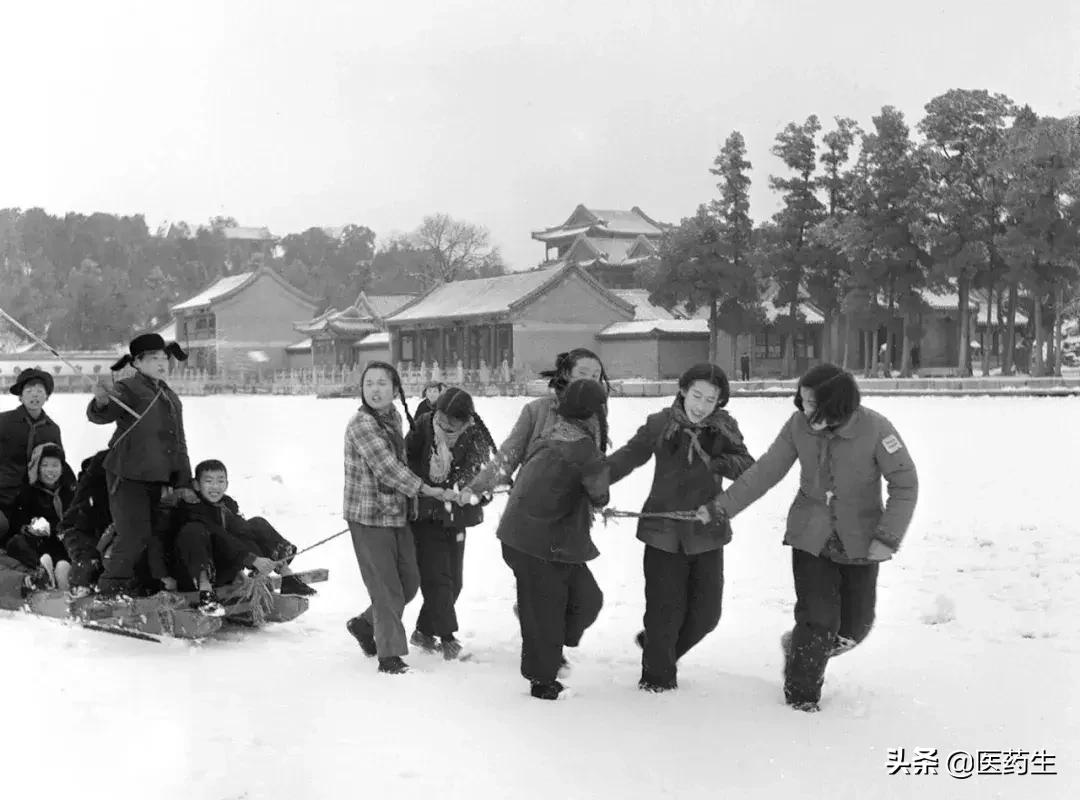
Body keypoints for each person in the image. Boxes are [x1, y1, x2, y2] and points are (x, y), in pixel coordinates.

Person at [698, 364, 918, 712]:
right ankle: (801, 698)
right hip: (810, 534)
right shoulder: (798, 425)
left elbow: (905, 484)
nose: (804, 409)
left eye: (813, 403)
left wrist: (887, 537)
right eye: (802, 401)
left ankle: (800, 647)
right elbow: (765, 471)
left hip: (861, 540)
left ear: (838, 404)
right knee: (817, 620)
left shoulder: (876, 429)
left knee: (855, 626)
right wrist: (721, 508)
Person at [607, 364, 755, 692]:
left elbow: (748, 467)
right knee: (664, 612)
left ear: (720, 402)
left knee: (707, 614)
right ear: (683, 390)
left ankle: (658, 649)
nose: (701, 405)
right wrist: (595, 483)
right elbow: (628, 457)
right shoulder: (660, 424)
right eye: (696, 395)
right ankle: (657, 679)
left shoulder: (725, 429)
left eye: (710, 399)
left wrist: (720, 461)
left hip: (706, 533)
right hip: (662, 530)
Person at [496, 379, 609, 701]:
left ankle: (549, 643)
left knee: (586, 599)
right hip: (533, 541)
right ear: (596, 413)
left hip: (544, 537)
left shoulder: (553, 432)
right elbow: (600, 494)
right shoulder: (585, 449)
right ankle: (541, 680)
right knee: (545, 612)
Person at [343, 361, 453, 675]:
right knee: (386, 588)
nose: (375, 390)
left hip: (396, 514)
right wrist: (427, 490)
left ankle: (365, 625)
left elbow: (402, 462)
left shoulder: (393, 417)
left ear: (395, 389)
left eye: (382, 383)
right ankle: (389, 655)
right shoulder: (361, 424)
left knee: (409, 582)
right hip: (368, 517)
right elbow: (388, 469)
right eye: (369, 384)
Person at [87, 333, 197, 597]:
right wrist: (102, 400)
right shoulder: (128, 388)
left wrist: (183, 481)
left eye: (164, 358)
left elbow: (178, 442)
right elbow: (102, 414)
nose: (162, 363)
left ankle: (142, 584)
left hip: (159, 478)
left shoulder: (169, 395)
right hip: (127, 475)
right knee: (134, 535)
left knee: (156, 536)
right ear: (137, 363)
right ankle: (109, 590)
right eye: (154, 358)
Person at [405, 387, 496, 660]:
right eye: (442, 416)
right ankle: (446, 637)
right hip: (425, 515)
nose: (446, 424)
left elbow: (478, 471)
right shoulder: (423, 426)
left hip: (454, 516)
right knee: (436, 579)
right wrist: (426, 488)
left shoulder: (475, 435)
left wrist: (468, 490)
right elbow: (406, 460)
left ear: (467, 419)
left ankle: (423, 632)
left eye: (453, 420)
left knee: (454, 582)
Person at [458, 348, 610, 506]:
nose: (589, 380)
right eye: (583, 373)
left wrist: (597, 496)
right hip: (530, 507)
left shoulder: (596, 418)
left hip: (573, 513)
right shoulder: (537, 411)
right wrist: (476, 488)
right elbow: (507, 457)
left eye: (595, 376)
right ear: (566, 374)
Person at [172, 459, 317, 616]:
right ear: (196, 485)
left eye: (220, 481)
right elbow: (220, 537)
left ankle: (286, 574)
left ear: (226, 484)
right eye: (209, 481)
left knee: (256, 524)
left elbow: (242, 533)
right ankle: (206, 595)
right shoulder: (192, 509)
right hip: (194, 574)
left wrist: (259, 560)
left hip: (224, 567)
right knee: (195, 531)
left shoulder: (227, 505)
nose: (215, 487)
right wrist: (252, 559)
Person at [0, 368, 63, 543]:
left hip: (33, 501)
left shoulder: (52, 429)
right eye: (29, 391)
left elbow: (57, 464)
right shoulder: (3, 422)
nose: (34, 395)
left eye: (40, 391)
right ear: (20, 396)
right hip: (3, 495)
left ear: (47, 396)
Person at [3, 443, 77, 589]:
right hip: (39, 541)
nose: (50, 470)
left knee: (66, 550)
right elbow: (17, 521)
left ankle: (61, 571)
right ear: (37, 468)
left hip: (64, 541)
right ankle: (45, 568)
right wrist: (30, 528)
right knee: (17, 543)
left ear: (62, 468)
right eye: (45, 465)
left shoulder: (71, 490)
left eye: (55, 465)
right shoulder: (27, 492)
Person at [56, 449, 113, 593]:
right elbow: (73, 526)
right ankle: (74, 585)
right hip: (81, 531)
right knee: (89, 561)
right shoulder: (99, 481)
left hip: (100, 532)